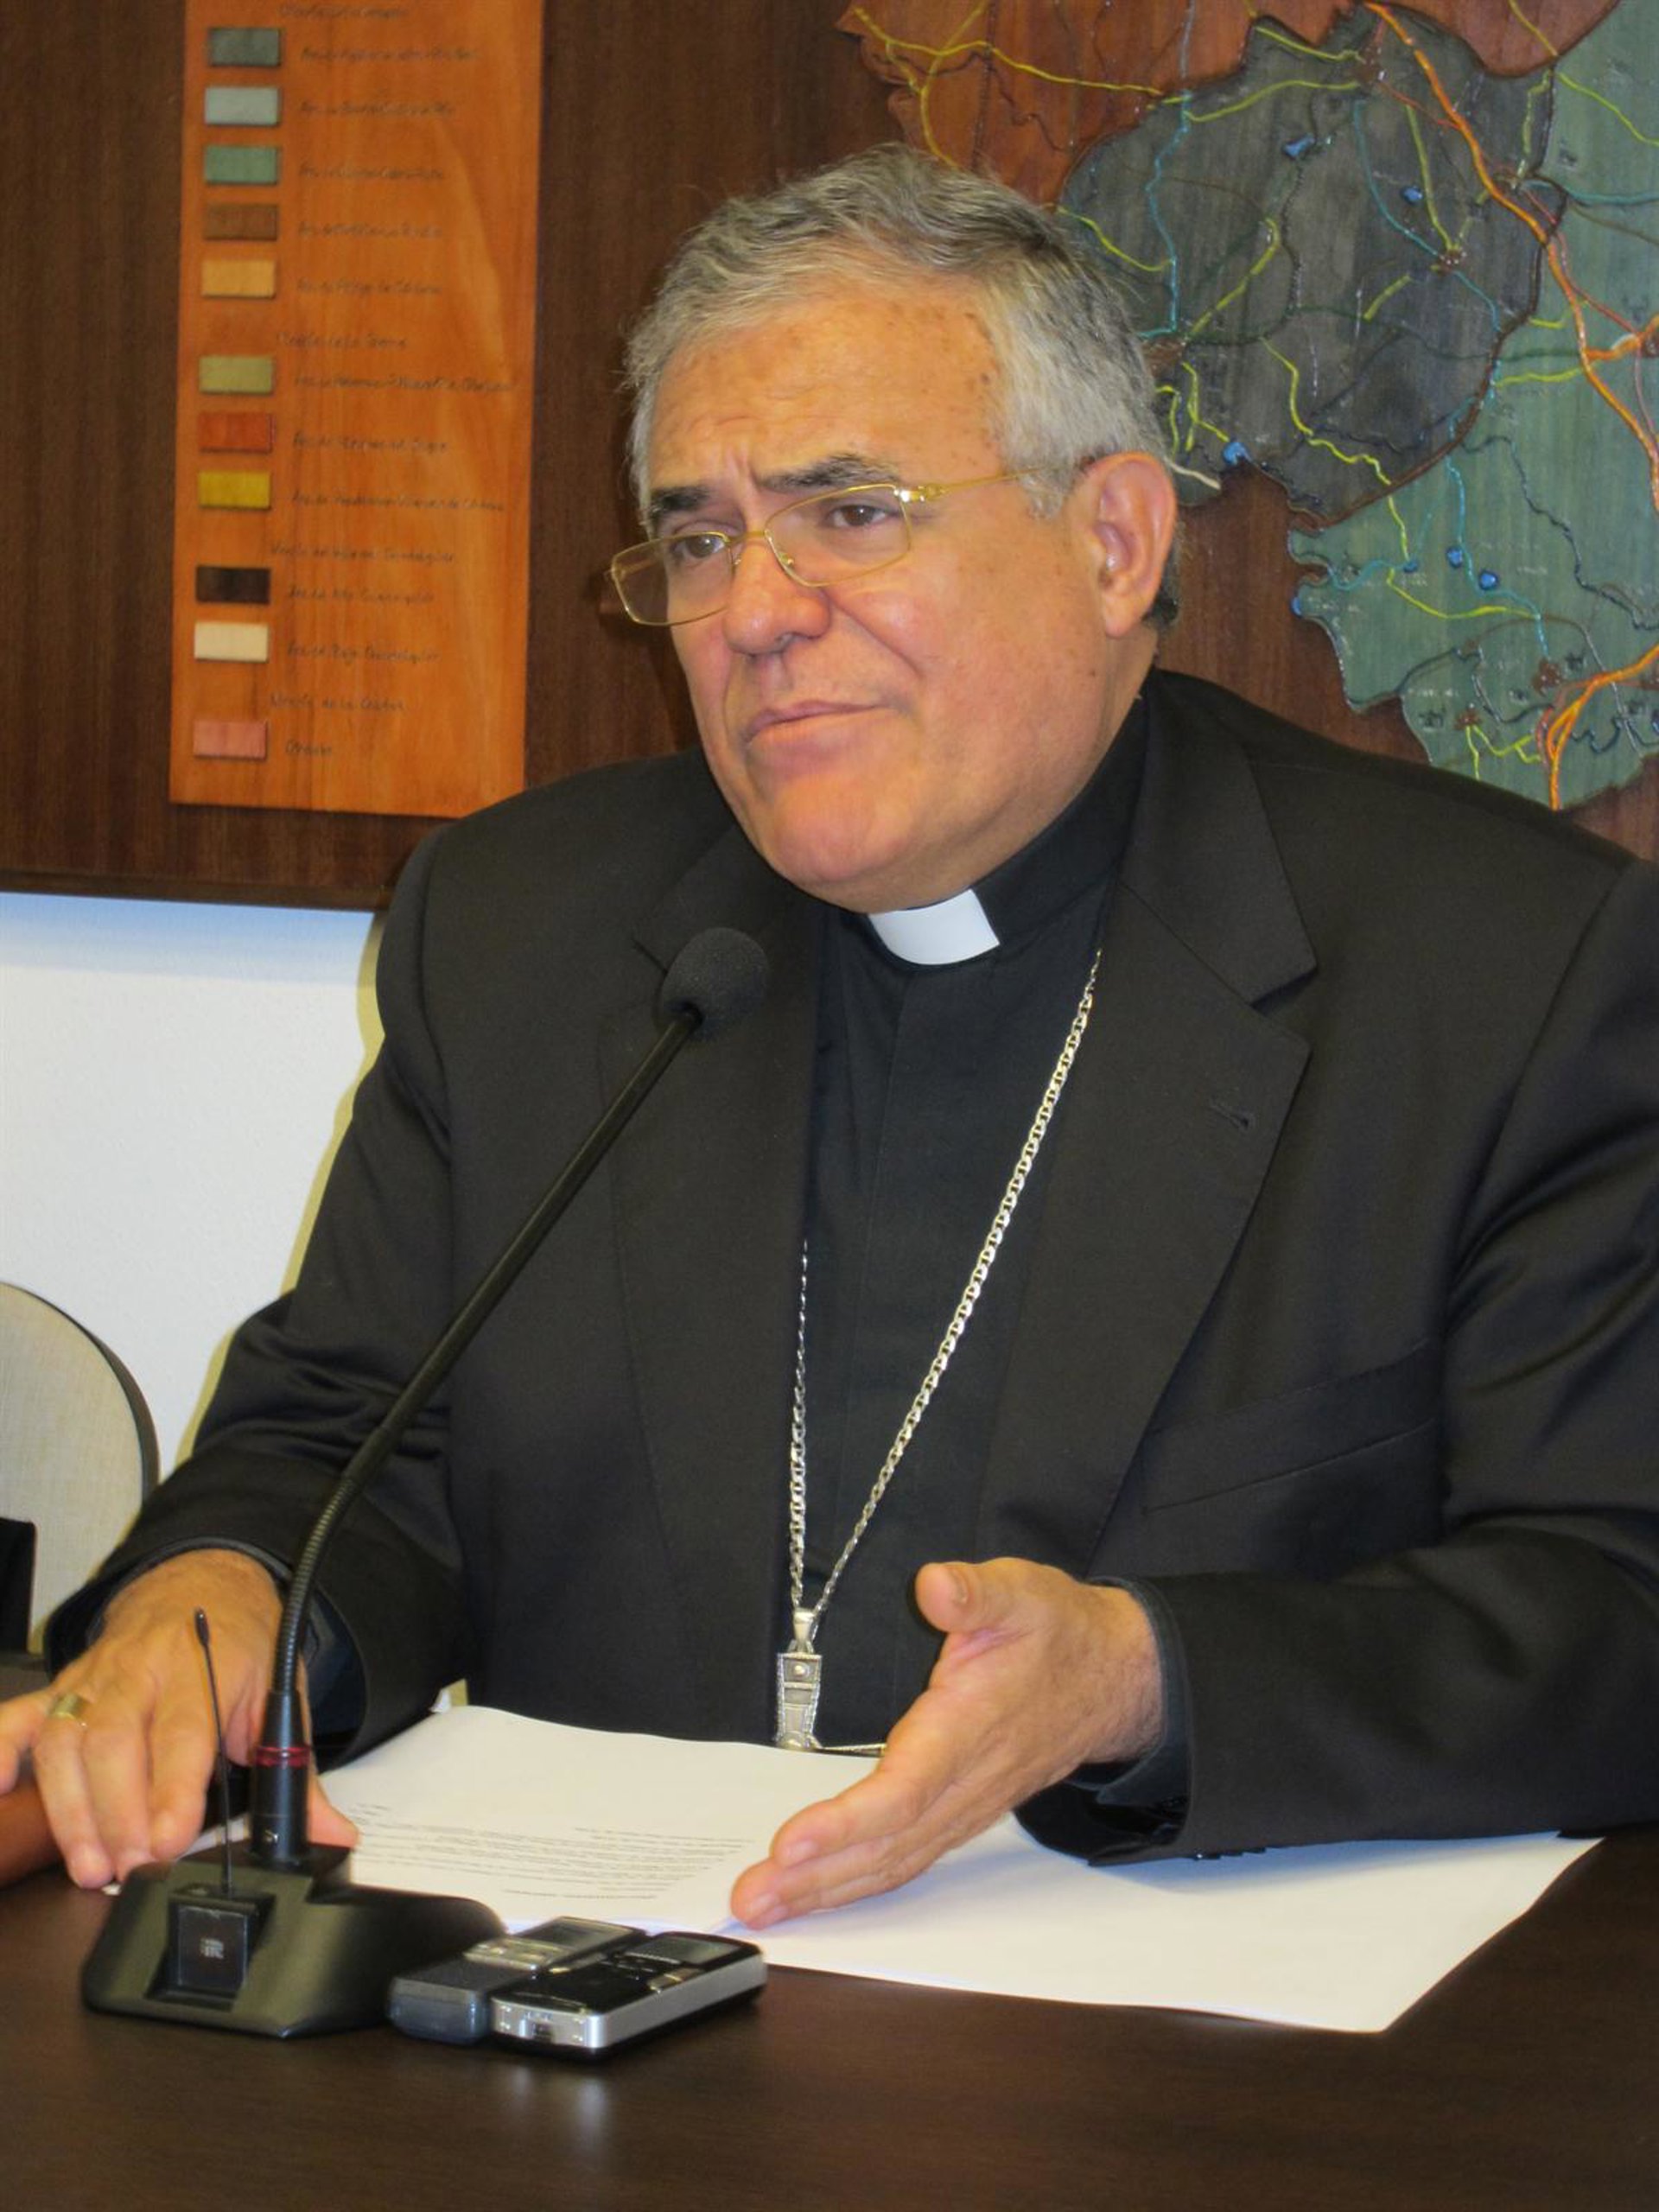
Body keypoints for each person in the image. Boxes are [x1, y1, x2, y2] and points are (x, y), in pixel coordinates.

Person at [4, 148, 1658, 1926]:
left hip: (1177, 2036)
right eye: (700, 538)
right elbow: (344, 1445)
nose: (756, 614)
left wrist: (1148, 1679)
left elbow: (1620, 1604)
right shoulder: (522, 932)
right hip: (590, 2013)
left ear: (1115, 541)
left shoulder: (1504, 971)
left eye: (852, 512)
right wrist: (223, 1601)